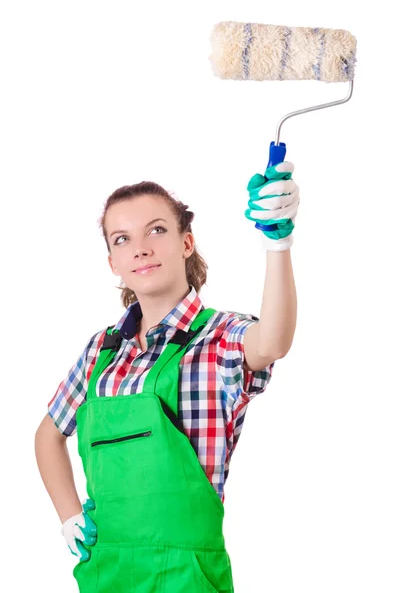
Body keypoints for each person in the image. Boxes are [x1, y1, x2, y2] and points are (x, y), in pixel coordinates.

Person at [35, 165, 299, 592]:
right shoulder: (101, 353)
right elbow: (47, 436)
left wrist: (278, 244)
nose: (140, 248)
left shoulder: (220, 338)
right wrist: (69, 517)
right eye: (122, 239)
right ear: (113, 262)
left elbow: (271, 341)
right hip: (107, 571)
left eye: (156, 230)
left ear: (186, 243)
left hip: (188, 576)